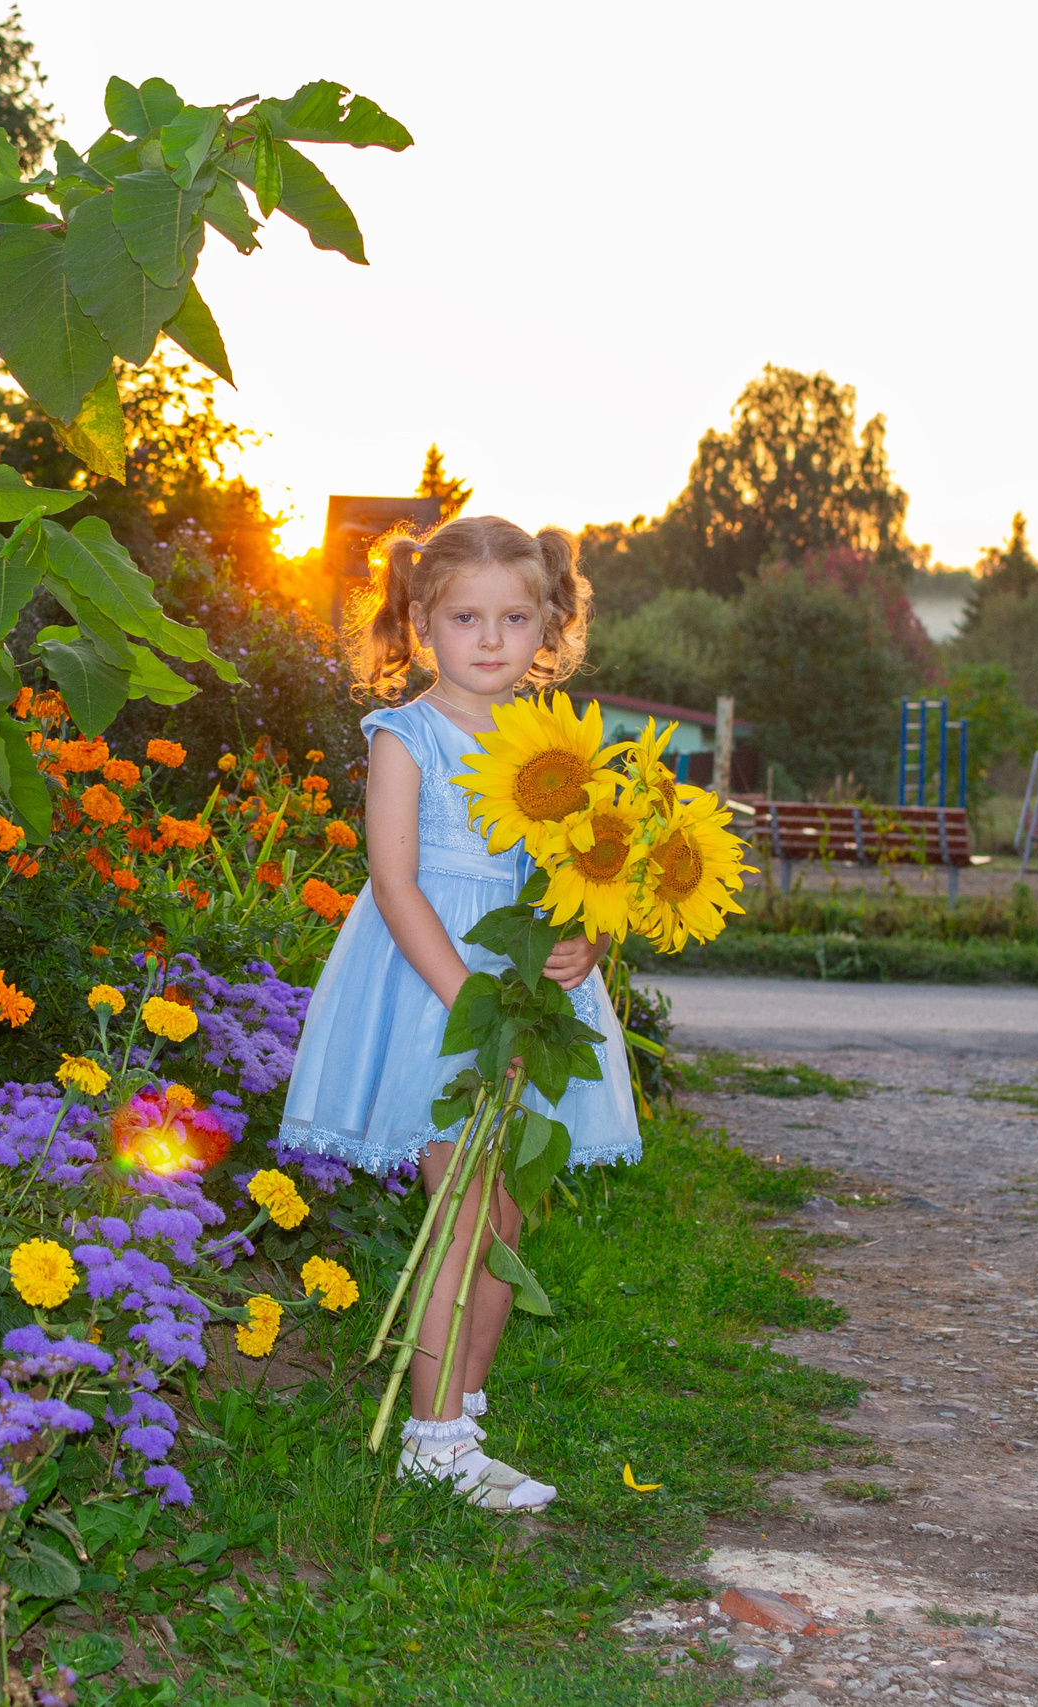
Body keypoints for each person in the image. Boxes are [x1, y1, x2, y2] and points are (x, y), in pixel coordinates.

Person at [279, 514, 641, 1513]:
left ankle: (461, 1417)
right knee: (463, 1211)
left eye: (515, 616)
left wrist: (590, 945)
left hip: (534, 995)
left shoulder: (557, 746)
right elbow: (394, 883)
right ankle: (431, 1442)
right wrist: (470, 1004)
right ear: (422, 622)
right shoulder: (409, 739)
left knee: (505, 1212)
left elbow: (592, 875)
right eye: (467, 616)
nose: (491, 638)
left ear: (549, 625)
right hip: (436, 989)